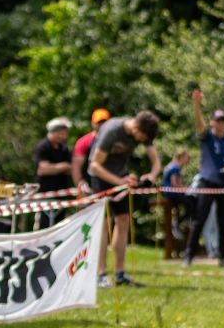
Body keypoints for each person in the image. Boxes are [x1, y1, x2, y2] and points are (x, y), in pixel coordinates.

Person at [88, 110, 161, 287]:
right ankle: (100, 274)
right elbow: (95, 165)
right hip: (101, 177)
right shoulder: (112, 131)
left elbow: (156, 161)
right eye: (142, 137)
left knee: (123, 220)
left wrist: (151, 175)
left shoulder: (145, 132)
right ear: (136, 128)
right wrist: (120, 182)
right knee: (104, 224)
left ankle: (120, 274)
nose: (142, 141)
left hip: (121, 176)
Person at [183, 90, 224, 268]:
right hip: (207, 183)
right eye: (218, 120)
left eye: (223, 120)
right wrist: (196, 104)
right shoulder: (207, 137)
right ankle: (189, 256)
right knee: (199, 220)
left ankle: (223, 258)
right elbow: (198, 123)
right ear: (212, 122)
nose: (221, 123)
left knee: (223, 222)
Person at [33, 117, 74, 226]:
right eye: (62, 133)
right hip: (45, 194)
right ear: (54, 132)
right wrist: (63, 167)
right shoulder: (43, 146)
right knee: (44, 224)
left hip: (61, 193)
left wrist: (56, 168)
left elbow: (70, 169)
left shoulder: (64, 148)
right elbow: (43, 170)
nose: (64, 136)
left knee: (59, 224)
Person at [72, 108, 111, 192]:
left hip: (111, 183)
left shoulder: (115, 141)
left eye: (104, 122)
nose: (101, 125)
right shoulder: (84, 142)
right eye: (99, 122)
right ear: (92, 123)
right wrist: (79, 183)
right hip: (90, 186)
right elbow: (76, 166)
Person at [161, 149, 192, 241]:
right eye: (186, 157)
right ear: (181, 157)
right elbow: (174, 183)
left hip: (168, 192)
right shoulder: (175, 167)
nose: (188, 160)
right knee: (190, 203)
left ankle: (180, 222)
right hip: (171, 193)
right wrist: (185, 189)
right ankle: (179, 223)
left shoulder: (171, 165)